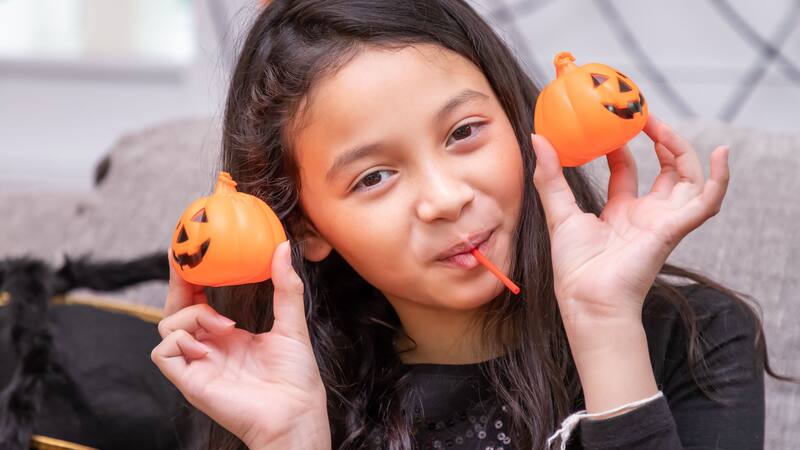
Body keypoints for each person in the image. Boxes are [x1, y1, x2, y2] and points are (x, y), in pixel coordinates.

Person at [150, 1, 798, 449]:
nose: (443, 198)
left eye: (463, 133)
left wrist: (605, 329)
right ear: (305, 226)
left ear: (520, 122)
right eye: (373, 177)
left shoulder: (697, 337)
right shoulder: (285, 395)